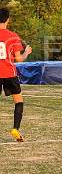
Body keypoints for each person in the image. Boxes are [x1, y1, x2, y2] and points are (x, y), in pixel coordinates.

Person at [0, 8, 32, 142]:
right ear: (8, 19)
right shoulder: (13, 36)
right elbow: (18, 59)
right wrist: (27, 52)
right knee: (18, 101)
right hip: (9, 73)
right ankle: (15, 129)